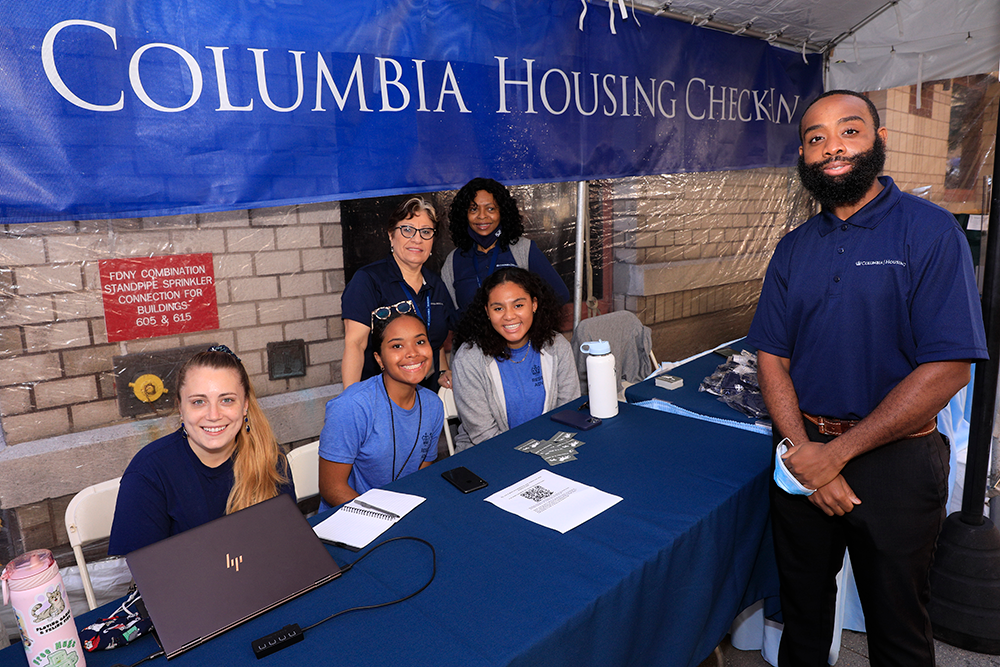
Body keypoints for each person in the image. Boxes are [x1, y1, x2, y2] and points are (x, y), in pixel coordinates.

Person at [747, 90, 987, 666]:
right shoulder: (792, 248)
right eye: (815, 138)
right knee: (802, 618)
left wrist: (840, 453)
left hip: (897, 460)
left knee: (898, 629)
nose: (832, 147)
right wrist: (806, 452)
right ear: (804, 157)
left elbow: (949, 366)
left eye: (849, 131)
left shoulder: (930, 232)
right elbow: (771, 359)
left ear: (879, 140)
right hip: (803, 452)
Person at [109, 345, 294, 555]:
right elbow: (148, 574)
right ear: (180, 408)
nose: (213, 415)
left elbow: (284, 545)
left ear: (245, 406)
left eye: (227, 400)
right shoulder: (148, 473)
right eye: (198, 402)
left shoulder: (269, 457)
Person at [318, 308, 443, 512]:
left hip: (404, 511)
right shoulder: (353, 406)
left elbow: (421, 475)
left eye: (420, 342)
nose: (412, 353)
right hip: (351, 516)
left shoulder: (433, 404)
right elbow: (331, 488)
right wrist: (383, 517)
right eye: (397, 346)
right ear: (379, 359)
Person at [451, 267, 579, 451]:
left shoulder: (557, 346)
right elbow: (484, 435)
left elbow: (568, 411)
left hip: (551, 447)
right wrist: (532, 454)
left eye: (518, 305)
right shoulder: (469, 358)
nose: (509, 316)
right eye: (498, 308)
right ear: (487, 311)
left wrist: (547, 450)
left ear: (534, 305)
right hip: (491, 454)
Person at [341, 196, 455, 392]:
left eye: (426, 232)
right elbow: (355, 344)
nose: (417, 239)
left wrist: (443, 374)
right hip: (380, 395)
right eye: (408, 229)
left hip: (425, 396)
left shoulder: (435, 284)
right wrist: (352, 401)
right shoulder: (368, 280)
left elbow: (435, 344)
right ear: (391, 235)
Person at [442, 177, 570, 315]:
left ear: (502, 212)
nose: (482, 216)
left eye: (490, 208)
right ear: (464, 215)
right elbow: (448, 314)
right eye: (474, 209)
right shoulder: (454, 260)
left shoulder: (523, 250)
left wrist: (525, 323)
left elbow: (560, 295)